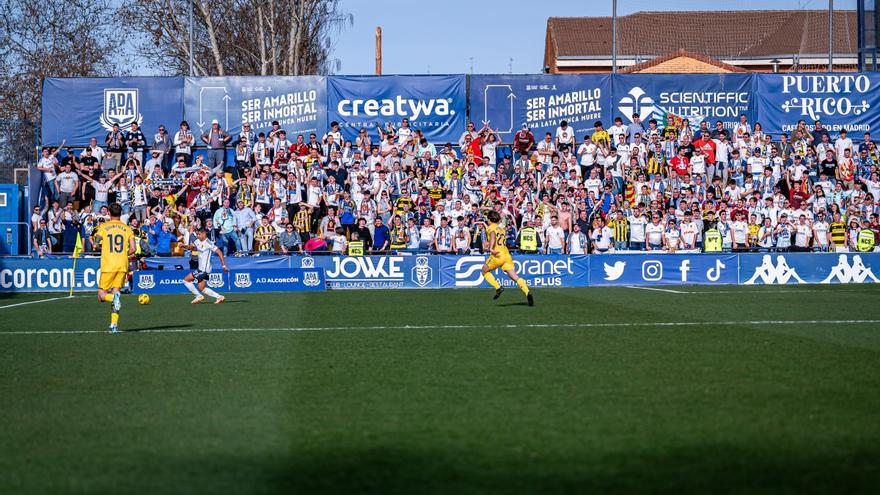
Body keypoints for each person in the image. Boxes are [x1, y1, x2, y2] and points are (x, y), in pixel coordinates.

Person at [92, 203, 136, 333]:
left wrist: (100, 246)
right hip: (122, 264)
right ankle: (114, 325)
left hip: (108, 264)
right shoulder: (127, 228)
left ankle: (113, 299)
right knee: (116, 292)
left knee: (101, 295)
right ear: (120, 213)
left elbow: (95, 244)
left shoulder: (104, 227)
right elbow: (133, 249)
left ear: (109, 213)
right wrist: (123, 253)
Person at [480, 210, 533, 306]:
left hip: (497, 255)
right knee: (514, 276)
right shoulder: (501, 229)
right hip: (506, 255)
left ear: (489, 219)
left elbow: (492, 235)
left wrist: (491, 248)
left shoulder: (490, 227)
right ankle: (527, 291)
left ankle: (498, 287)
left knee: (484, 271)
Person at [180, 227, 229, 304]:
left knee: (186, 280)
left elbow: (219, 252)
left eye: (199, 234)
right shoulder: (197, 241)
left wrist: (223, 266)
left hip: (204, 269)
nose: (198, 236)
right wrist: (184, 246)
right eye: (197, 234)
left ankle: (198, 296)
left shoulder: (209, 243)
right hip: (202, 268)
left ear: (204, 234)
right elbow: (193, 247)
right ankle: (219, 297)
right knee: (201, 288)